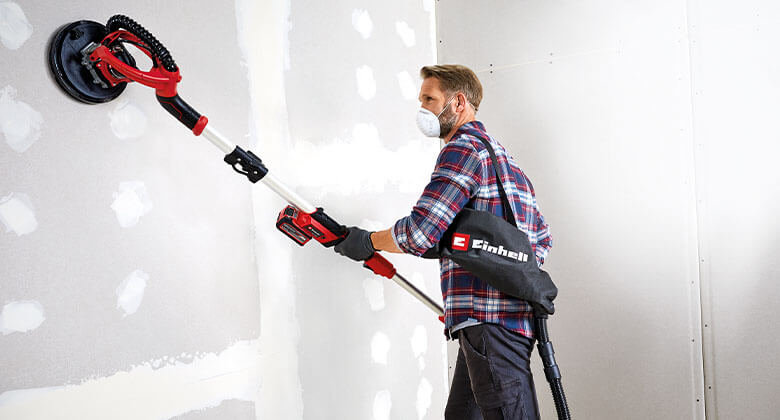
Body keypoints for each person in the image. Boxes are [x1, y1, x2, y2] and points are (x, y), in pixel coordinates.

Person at [335, 64, 552, 420]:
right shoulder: (505, 161)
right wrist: (467, 248)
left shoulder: (463, 149)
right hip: (500, 322)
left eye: (429, 99)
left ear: (458, 102)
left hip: (487, 323)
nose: (422, 109)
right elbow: (540, 241)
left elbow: (419, 233)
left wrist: (367, 241)